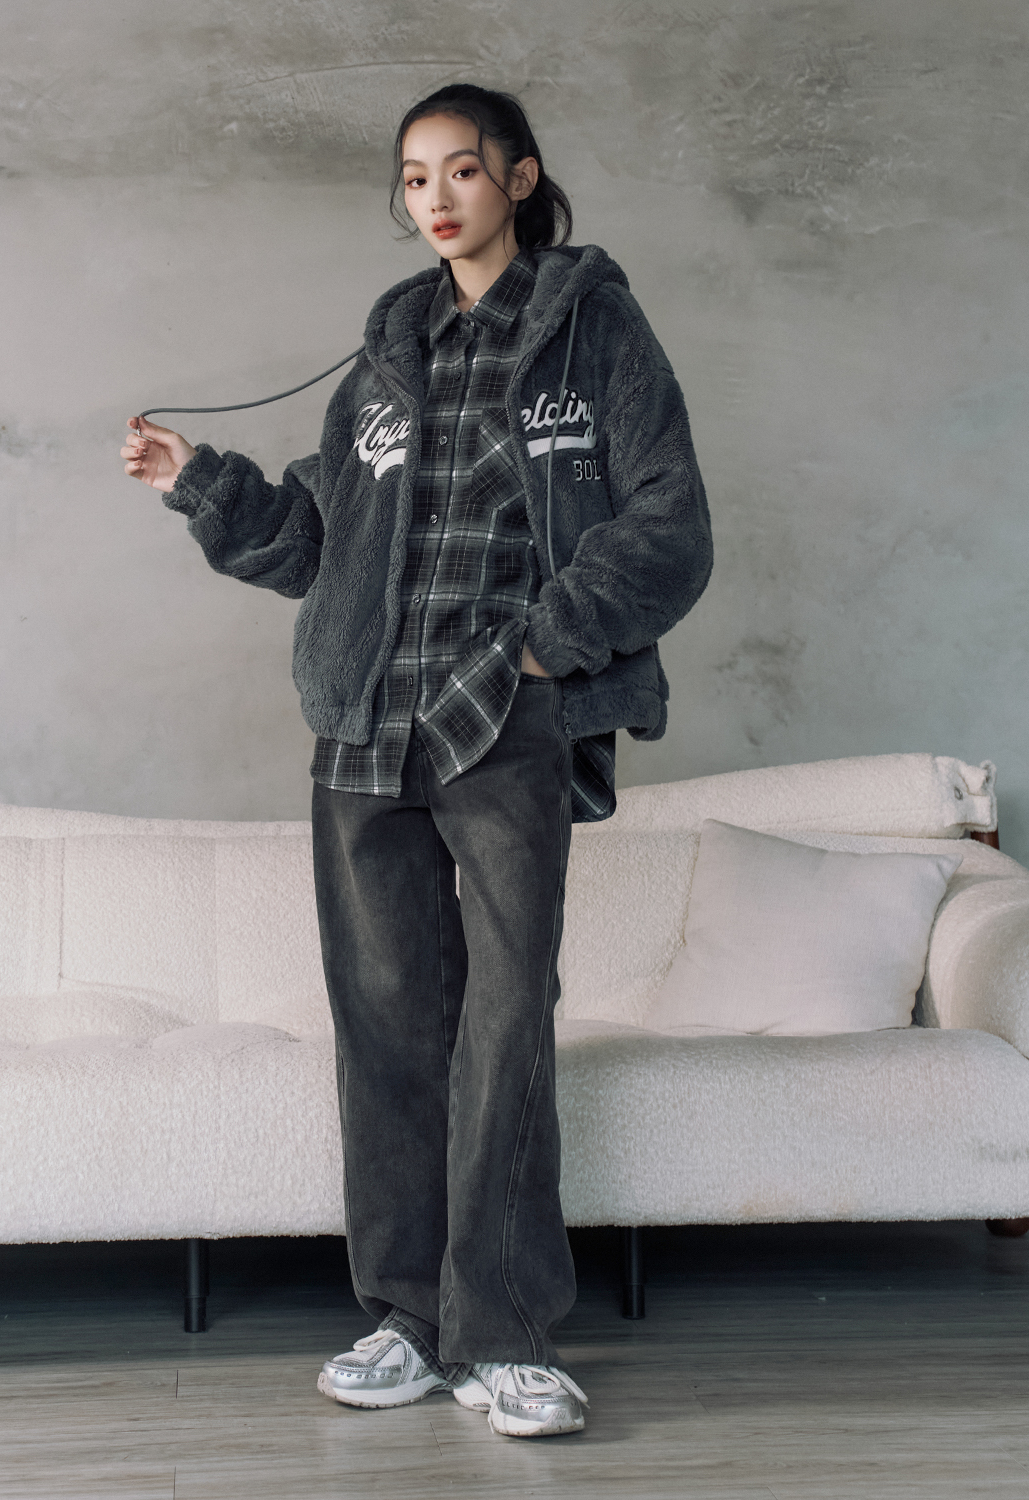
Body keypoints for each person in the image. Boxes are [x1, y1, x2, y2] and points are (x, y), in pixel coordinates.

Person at [121, 82, 712, 1439]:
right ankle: (407, 1318)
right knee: (385, 1026)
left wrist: (545, 646)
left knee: (503, 1023)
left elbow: (670, 524)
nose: (435, 197)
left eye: (460, 170)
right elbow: (318, 545)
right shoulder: (389, 355)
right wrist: (195, 481)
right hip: (363, 724)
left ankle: (503, 1334)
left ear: (520, 178)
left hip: (502, 720)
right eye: (412, 178)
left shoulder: (595, 333)